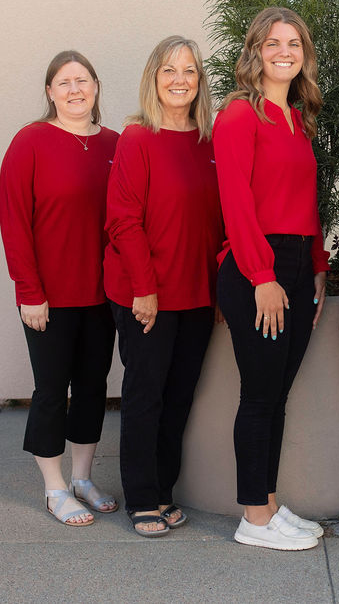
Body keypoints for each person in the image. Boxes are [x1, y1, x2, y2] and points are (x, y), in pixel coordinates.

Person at [213, 7, 329, 551]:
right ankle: (253, 518)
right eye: (274, 43)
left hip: (297, 264)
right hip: (256, 265)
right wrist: (261, 274)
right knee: (259, 397)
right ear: (255, 50)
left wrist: (318, 267)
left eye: (294, 44)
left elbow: (305, 201)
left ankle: (270, 503)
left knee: (276, 396)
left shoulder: (297, 117)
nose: (285, 51)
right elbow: (236, 201)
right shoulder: (239, 114)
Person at [104, 37, 223, 537]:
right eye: (170, 70)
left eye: (190, 71)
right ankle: (141, 498)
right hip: (145, 293)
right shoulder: (137, 139)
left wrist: (222, 290)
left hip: (197, 293)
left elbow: (220, 221)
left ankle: (165, 491)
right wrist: (145, 289)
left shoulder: (210, 142)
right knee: (144, 396)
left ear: (200, 81)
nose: (181, 79)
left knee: (178, 398)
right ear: (154, 77)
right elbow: (123, 221)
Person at [0, 51, 119, 527]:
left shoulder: (114, 143)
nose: (74, 89)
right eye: (64, 82)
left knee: (93, 387)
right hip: (47, 298)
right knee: (52, 390)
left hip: (103, 294)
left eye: (83, 80)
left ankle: (83, 478)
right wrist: (28, 290)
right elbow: (14, 222)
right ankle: (54, 487)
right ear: (50, 91)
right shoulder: (30, 142)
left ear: (95, 87)